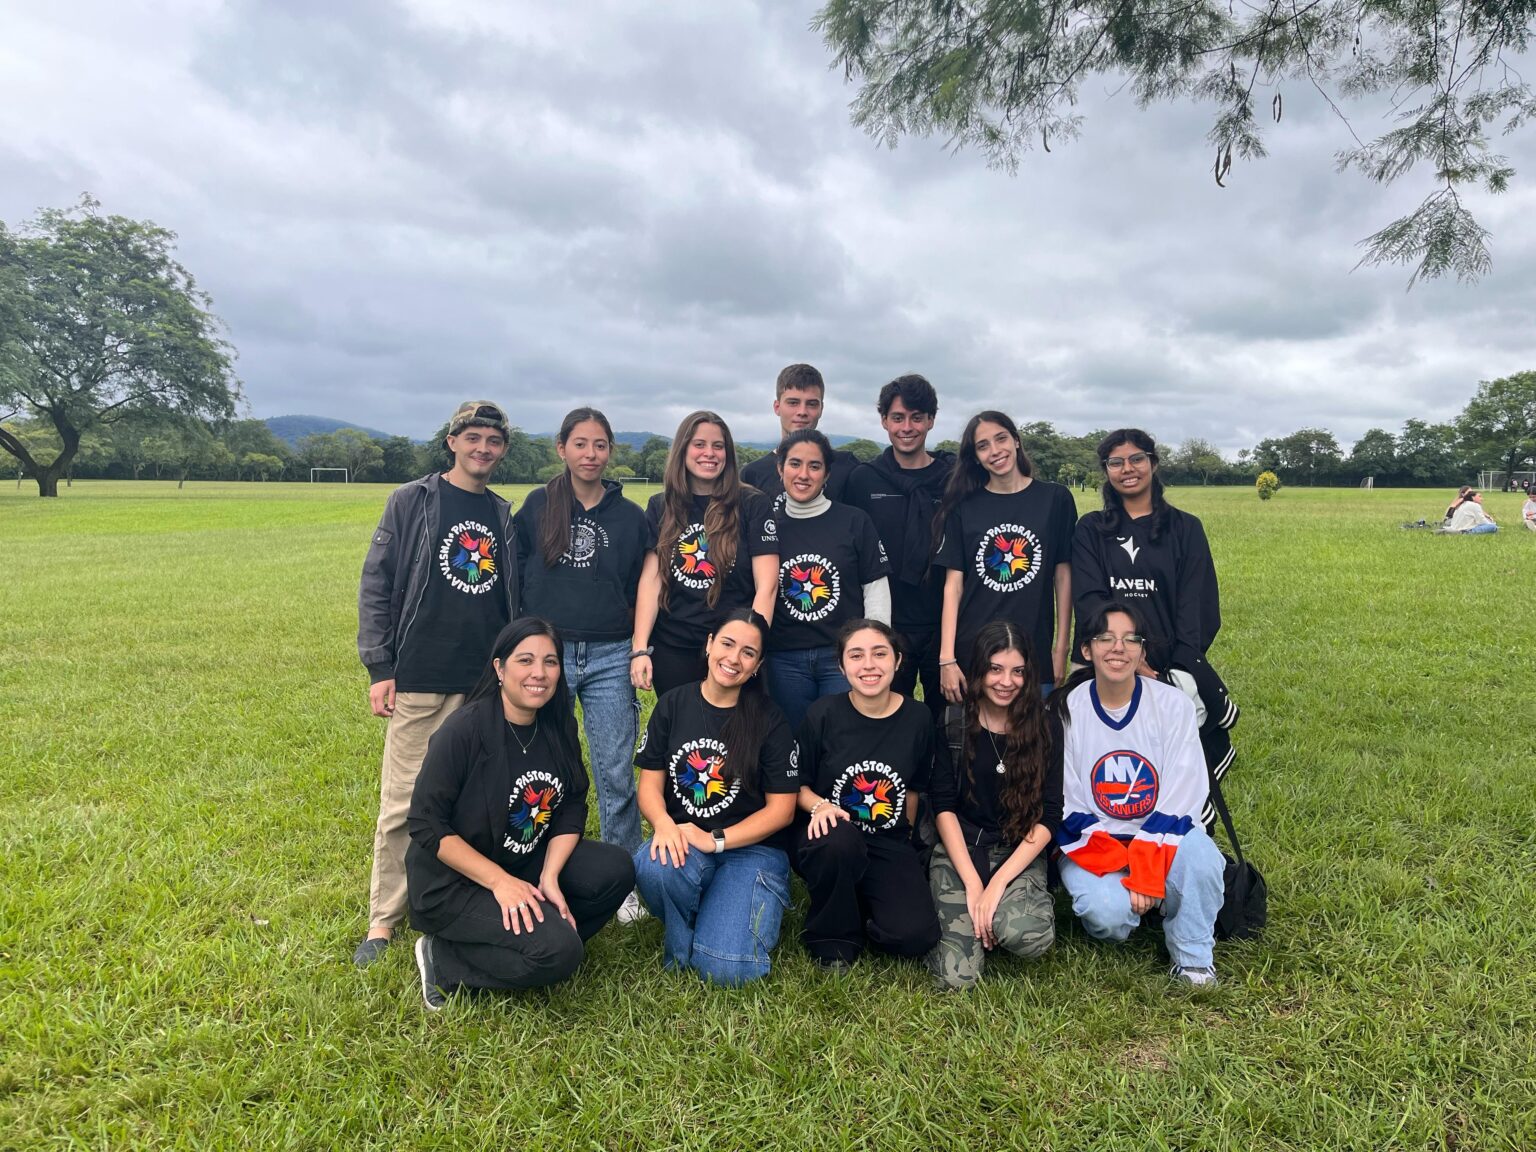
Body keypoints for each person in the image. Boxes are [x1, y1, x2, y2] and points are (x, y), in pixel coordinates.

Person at [354, 400, 520, 967]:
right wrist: (380, 667)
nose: (482, 448)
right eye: (472, 437)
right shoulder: (412, 501)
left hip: (484, 686)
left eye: (493, 441)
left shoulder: (501, 514)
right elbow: (376, 583)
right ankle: (383, 920)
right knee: (403, 802)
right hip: (422, 676)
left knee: (475, 800)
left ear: (502, 449)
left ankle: (460, 895)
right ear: (452, 442)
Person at [406, 619, 635, 1010]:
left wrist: (550, 875)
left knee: (617, 869)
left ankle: (539, 932)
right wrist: (499, 882)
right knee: (560, 953)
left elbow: (572, 802)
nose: (539, 673)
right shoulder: (464, 731)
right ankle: (443, 959)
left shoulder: (557, 725)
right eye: (525, 660)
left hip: (524, 862)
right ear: (499, 668)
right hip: (456, 882)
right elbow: (426, 824)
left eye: (550, 661)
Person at [513, 407, 650, 924]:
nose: (590, 454)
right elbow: (516, 573)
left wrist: (636, 647)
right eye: (580, 444)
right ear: (562, 448)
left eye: (600, 445)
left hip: (611, 654)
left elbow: (640, 585)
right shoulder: (537, 505)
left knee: (615, 770)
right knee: (540, 764)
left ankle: (623, 878)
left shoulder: (630, 517)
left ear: (610, 450)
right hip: (547, 655)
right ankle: (533, 866)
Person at [1052, 602, 1227, 988]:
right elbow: (1067, 802)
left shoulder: (1173, 705)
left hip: (1164, 835)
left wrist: (1146, 866)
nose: (1119, 648)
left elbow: (1184, 793)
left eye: (1131, 639)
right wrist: (1127, 865)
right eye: (1105, 638)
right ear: (1086, 650)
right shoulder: (1066, 710)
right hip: (1096, 841)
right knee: (1107, 914)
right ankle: (1149, 898)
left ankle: (1193, 957)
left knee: (1204, 861)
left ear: (1142, 650)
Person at [1071, 429, 1239, 825]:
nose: (1127, 469)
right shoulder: (1091, 529)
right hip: (1107, 664)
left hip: (1167, 667)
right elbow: (1090, 599)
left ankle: (1178, 834)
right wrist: (1124, 654)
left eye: (1136, 459)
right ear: (1106, 471)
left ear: (1153, 463)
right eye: (1116, 462)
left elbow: (1197, 607)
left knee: (1175, 767)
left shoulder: (1185, 528)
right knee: (1110, 762)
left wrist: (1168, 669)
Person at [632, 609, 799, 985]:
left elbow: (782, 810)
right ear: (709, 644)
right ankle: (694, 925)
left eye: (748, 653)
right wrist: (663, 824)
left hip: (752, 851)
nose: (734, 658)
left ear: (757, 666)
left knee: (726, 968)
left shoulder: (770, 719)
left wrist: (716, 840)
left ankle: (725, 911)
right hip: (687, 843)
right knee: (654, 866)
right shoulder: (673, 704)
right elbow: (649, 785)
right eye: (727, 644)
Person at [791, 620, 940, 969]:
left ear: (898, 661)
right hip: (829, 835)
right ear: (842, 666)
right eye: (856, 656)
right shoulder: (822, 714)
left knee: (915, 936)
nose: (869, 665)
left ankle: (861, 904)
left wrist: (905, 841)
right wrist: (820, 806)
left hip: (886, 840)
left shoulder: (918, 717)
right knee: (839, 844)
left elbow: (914, 787)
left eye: (879, 654)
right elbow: (796, 784)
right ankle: (833, 938)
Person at [926, 621, 1060, 990]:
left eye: (1018, 671)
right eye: (995, 669)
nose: (1006, 681)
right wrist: (973, 884)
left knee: (1028, 937)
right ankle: (968, 924)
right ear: (979, 670)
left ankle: (998, 918)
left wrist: (997, 884)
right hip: (961, 850)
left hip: (1017, 851)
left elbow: (1050, 813)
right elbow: (943, 805)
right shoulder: (953, 721)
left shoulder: (1046, 724)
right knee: (958, 979)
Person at [630, 411, 778, 699]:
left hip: (731, 649)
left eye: (718, 446)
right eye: (699, 444)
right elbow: (651, 579)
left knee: (737, 725)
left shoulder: (752, 503)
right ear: (683, 450)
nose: (709, 453)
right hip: (674, 647)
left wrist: (749, 647)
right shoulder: (661, 505)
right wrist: (640, 648)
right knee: (682, 724)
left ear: (728, 453)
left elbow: (767, 586)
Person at [934, 410, 1075, 701]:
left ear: (1016, 441)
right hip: (975, 651)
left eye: (1001, 439)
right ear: (975, 457)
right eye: (983, 446)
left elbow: (1063, 577)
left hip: (1033, 651)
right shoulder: (963, 506)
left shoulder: (1055, 499)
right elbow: (953, 586)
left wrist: (1060, 649)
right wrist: (947, 658)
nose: (995, 451)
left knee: (1034, 730)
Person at [765, 429, 893, 729]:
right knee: (794, 740)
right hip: (784, 658)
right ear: (780, 469)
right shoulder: (767, 524)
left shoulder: (854, 521)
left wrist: (874, 650)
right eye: (795, 464)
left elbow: (875, 588)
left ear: (827, 474)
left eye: (815, 466)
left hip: (842, 656)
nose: (803, 474)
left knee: (844, 738)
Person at [846, 374, 955, 719]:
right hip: (887, 623)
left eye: (917, 417)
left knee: (948, 722)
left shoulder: (954, 479)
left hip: (944, 622)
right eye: (897, 417)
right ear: (883, 421)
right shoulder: (863, 479)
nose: (907, 428)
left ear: (931, 420)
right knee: (888, 720)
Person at [740, 363, 861, 503]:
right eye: (793, 403)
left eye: (812, 404)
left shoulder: (847, 467)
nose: (802, 412)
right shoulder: (752, 475)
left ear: (821, 409)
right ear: (777, 407)